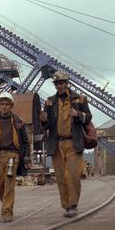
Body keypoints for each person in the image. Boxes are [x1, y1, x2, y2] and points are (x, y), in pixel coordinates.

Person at [39, 70, 92, 217]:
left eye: (61, 83)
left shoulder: (80, 99)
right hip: (57, 144)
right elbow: (47, 125)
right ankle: (67, 206)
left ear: (67, 83)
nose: (59, 86)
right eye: (57, 84)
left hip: (73, 142)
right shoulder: (50, 102)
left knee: (72, 175)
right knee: (61, 176)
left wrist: (79, 115)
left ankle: (73, 204)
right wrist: (43, 119)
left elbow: (88, 118)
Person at [0, 91, 31, 222]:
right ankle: (6, 204)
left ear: (11, 106)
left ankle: (7, 212)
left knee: (9, 184)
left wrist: (26, 158)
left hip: (12, 156)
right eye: (2, 104)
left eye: (7, 104)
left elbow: (25, 141)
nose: (4, 107)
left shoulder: (18, 122)